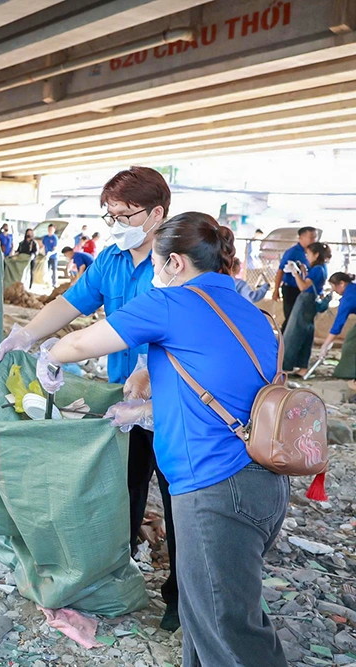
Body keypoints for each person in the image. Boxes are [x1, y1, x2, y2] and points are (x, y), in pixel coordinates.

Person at [37, 212, 286, 667]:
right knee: (211, 618)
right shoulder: (249, 311)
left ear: (174, 262)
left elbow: (78, 344)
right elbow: (229, 391)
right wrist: (145, 409)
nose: (152, 272)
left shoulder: (173, 302)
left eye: (155, 262)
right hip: (264, 483)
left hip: (215, 489)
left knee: (230, 634)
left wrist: (47, 355)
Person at [0, 166, 181, 631]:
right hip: (123, 397)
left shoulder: (175, 260)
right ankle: (118, 571)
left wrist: (147, 371)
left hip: (171, 401)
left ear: (156, 214)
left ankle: (181, 593)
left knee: (179, 497)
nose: (114, 223)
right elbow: (71, 303)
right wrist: (27, 334)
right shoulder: (112, 259)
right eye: (109, 213)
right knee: (125, 486)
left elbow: (177, 330)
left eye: (124, 214)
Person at [281, 242, 331, 376]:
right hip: (311, 303)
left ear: (316, 255)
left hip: (305, 301)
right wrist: (303, 271)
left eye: (308, 254)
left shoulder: (316, 269)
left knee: (293, 333)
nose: (307, 257)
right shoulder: (322, 268)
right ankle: (303, 367)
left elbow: (303, 287)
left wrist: (295, 273)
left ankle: (285, 366)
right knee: (307, 334)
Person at [272, 226, 318, 332]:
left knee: (301, 318)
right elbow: (280, 271)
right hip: (291, 289)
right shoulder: (292, 252)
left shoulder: (314, 253)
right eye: (311, 237)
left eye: (315, 237)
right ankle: (284, 342)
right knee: (290, 317)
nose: (314, 240)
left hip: (305, 290)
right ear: (301, 237)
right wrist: (276, 289)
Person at [319, 273, 356, 393]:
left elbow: (338, 324)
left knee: (350, 344)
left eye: (335, 287)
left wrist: (325, 344)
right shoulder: (352, 289)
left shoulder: (348, 298)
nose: (335, 291)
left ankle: (347, 373)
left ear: (342, 283)